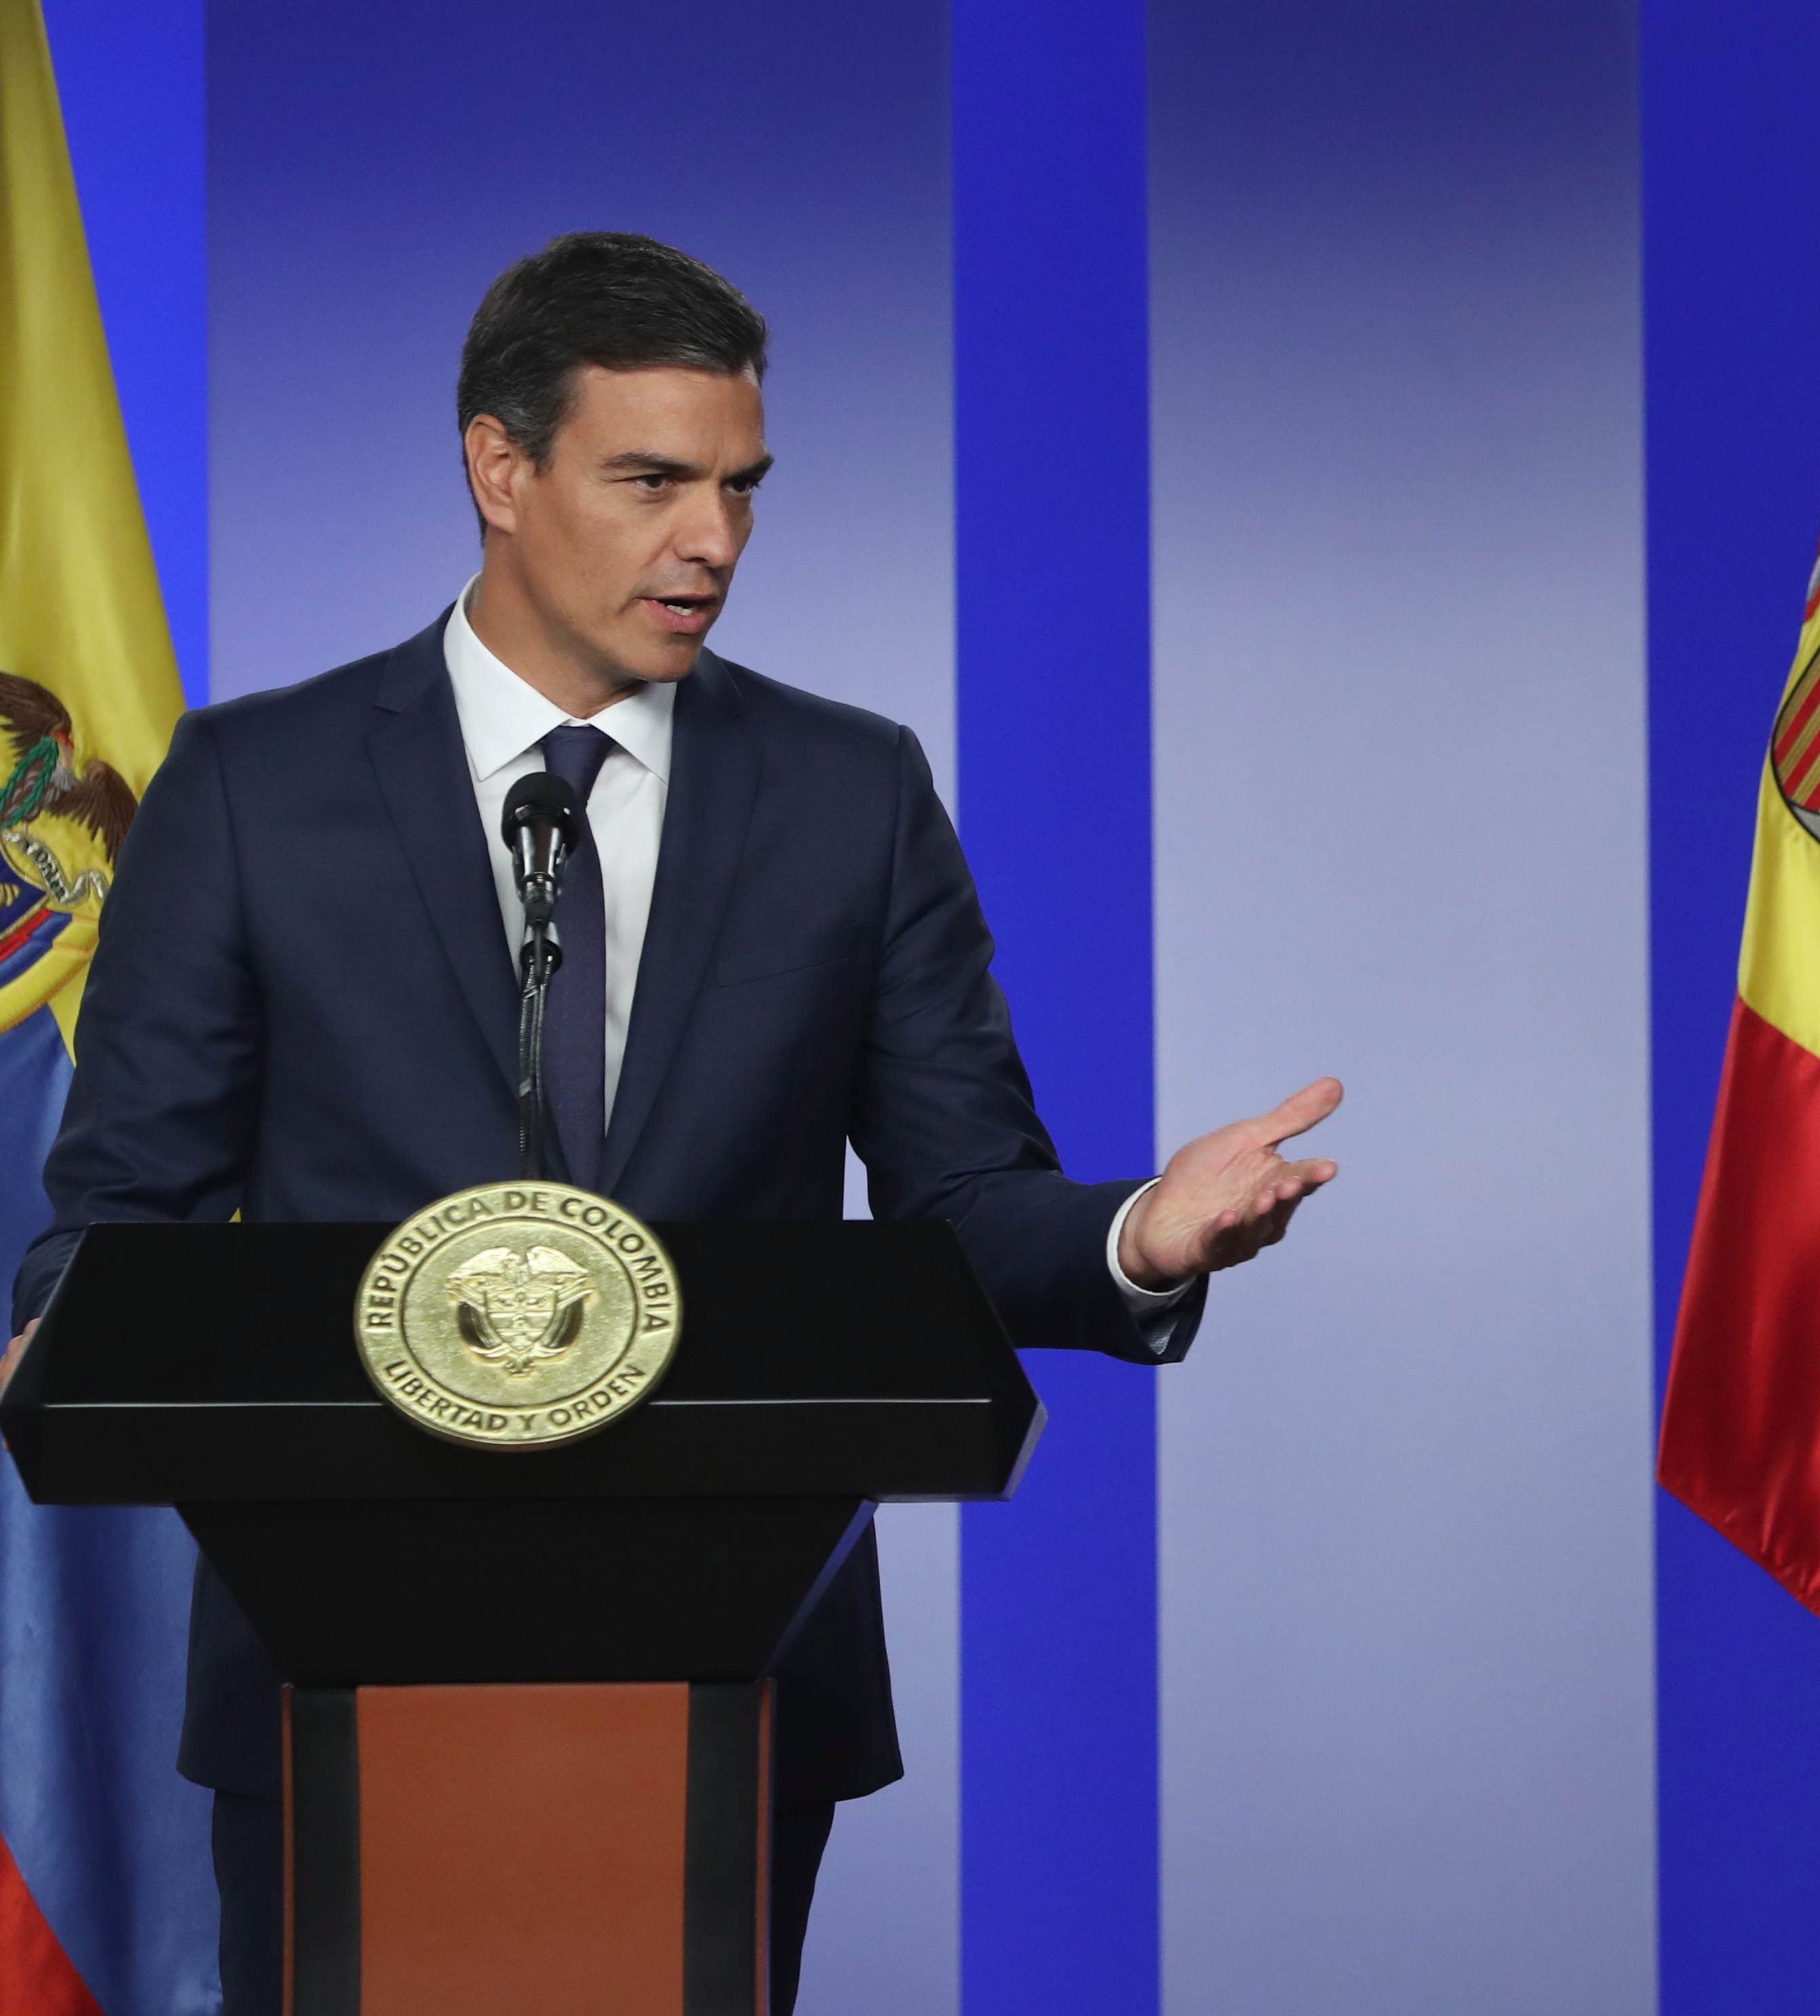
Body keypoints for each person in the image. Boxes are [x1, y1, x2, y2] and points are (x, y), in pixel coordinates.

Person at [4, 232, 1340, 2015]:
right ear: (500, 468)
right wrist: (74, 1333)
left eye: (739, 487)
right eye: (652, 480)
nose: (711, 539)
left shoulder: (849, 795)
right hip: (336, 1679)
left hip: (733, 1670)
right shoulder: (255, 790)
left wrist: (1132, 1237)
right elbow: (122, 1217)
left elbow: (961, 1192)